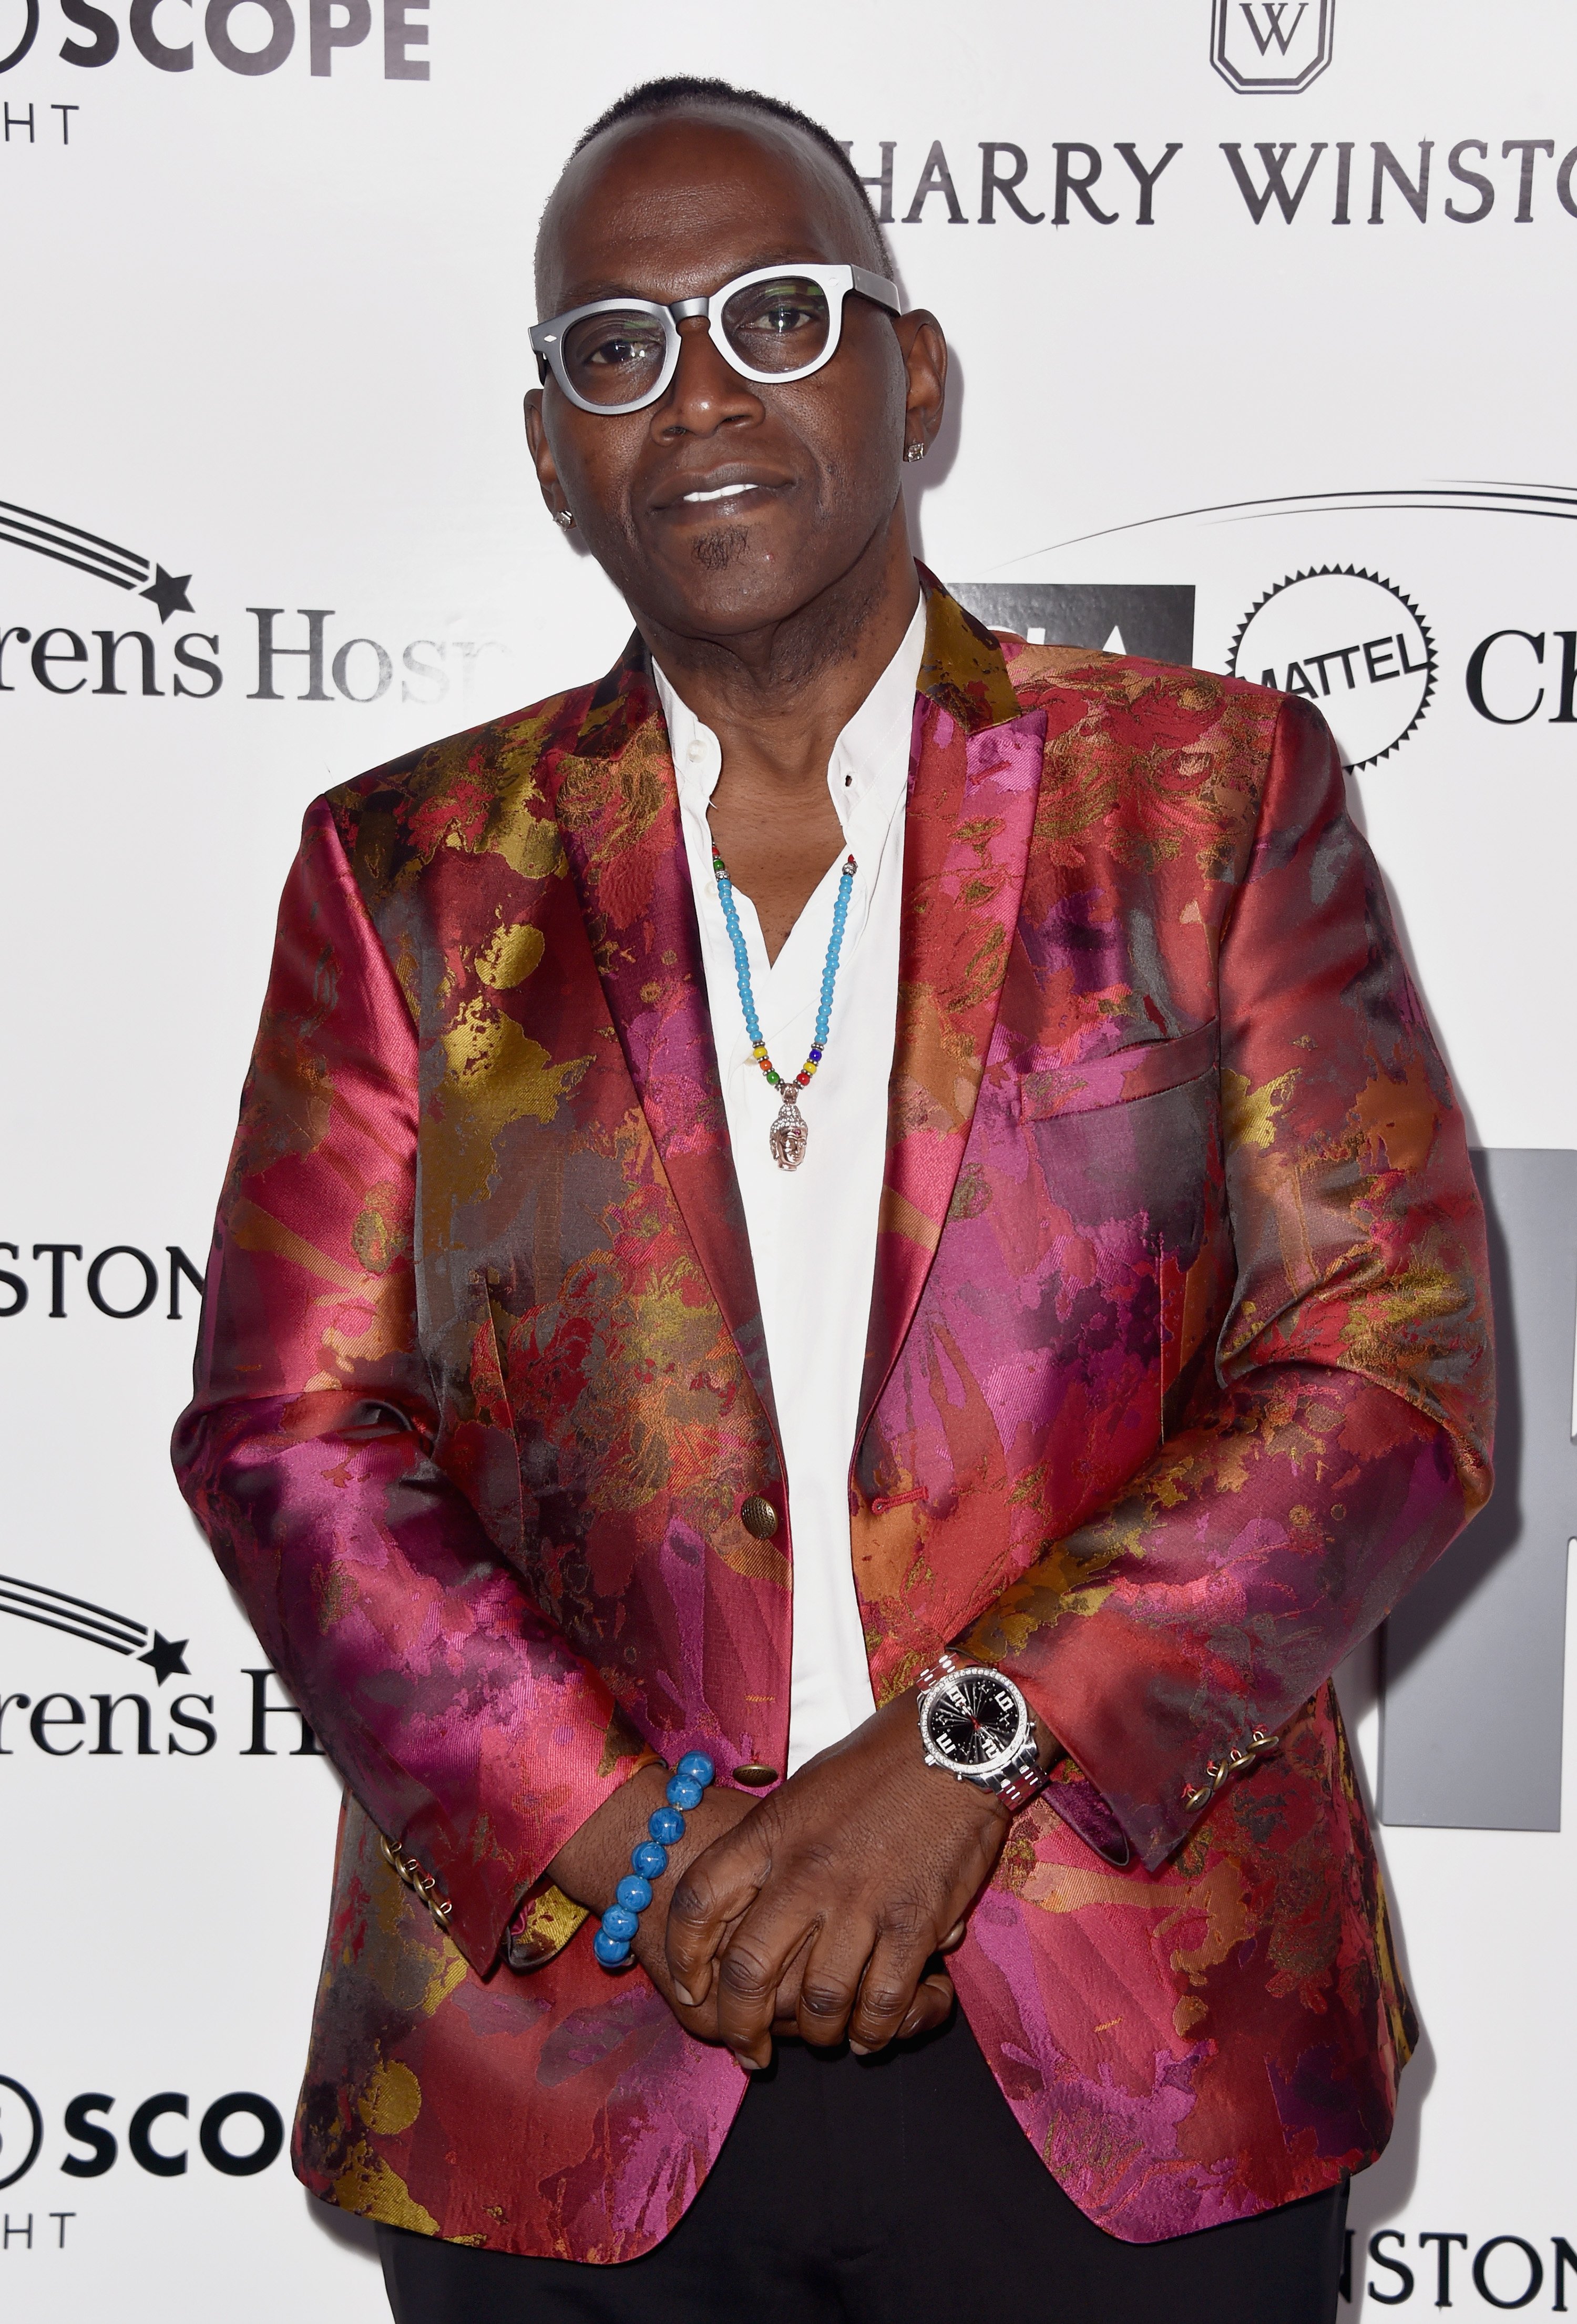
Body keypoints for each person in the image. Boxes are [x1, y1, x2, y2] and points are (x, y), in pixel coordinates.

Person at [173, 74, 1493, 2324]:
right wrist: (633, 1829)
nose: (701, 394)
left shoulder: (1205, 792)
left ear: (918, 371)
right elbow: (290, 1431)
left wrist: (971, 1747)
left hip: (1132, 2021)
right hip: (573, 2035)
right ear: (546, 449)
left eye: (779, 315)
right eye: (618, 347)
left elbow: (1389, 1361)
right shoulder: (407, 867)